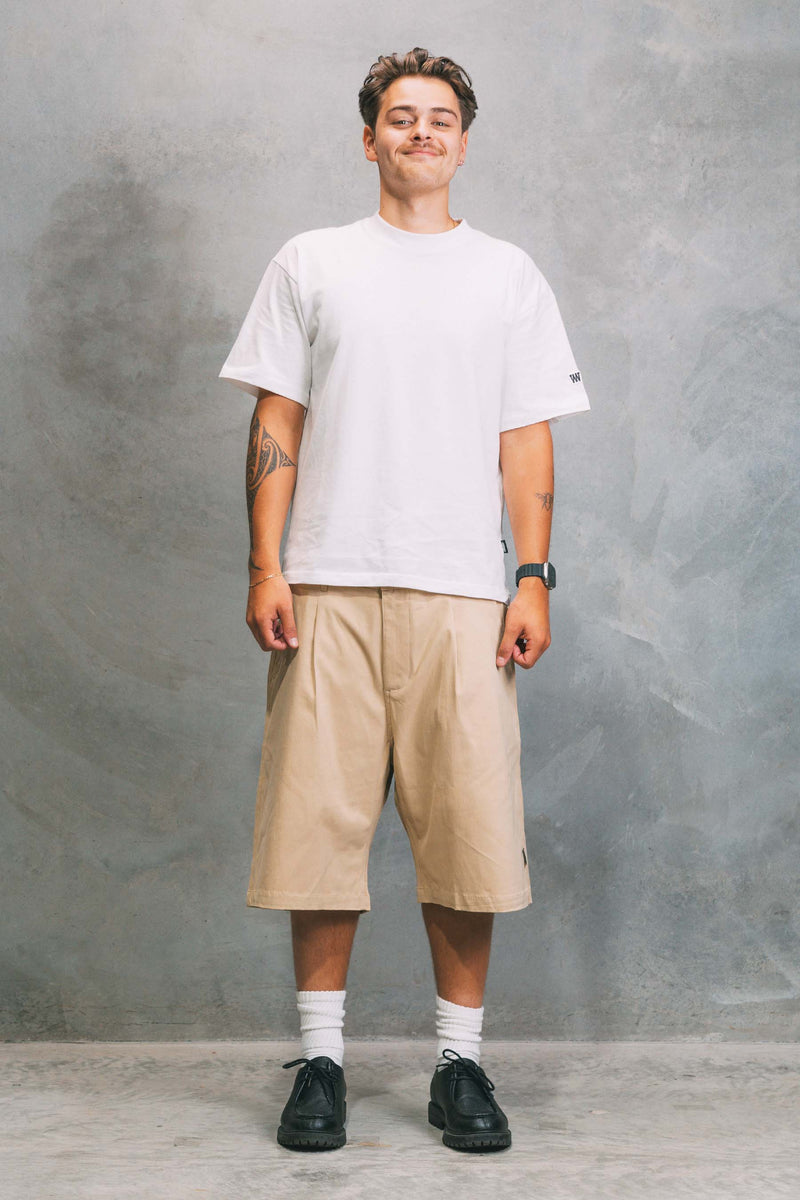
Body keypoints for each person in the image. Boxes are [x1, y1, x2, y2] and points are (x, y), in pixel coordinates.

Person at [218, 46, 590, 1154]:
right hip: (326, 583)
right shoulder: (312, 262)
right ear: (368, 138)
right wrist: (266, 565)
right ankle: (321, 1064)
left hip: (463, 591)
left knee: (467, 833)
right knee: (315, 831)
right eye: (398, 116)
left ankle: (458, 1066)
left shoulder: (507, 276)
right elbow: (276, 418)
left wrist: (530, 577)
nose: (419, 131)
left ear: (462, 144)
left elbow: (525, 437)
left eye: (438, 118)